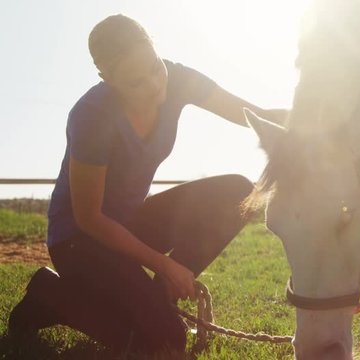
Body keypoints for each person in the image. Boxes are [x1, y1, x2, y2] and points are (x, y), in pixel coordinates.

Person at [6, 14, 286, 356]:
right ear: (107, 79)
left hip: (127, 226)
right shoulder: (92, 116)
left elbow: (251, 113)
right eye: (136, 82)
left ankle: (157, 298)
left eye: (155, 68)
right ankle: (50, 296)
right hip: (79, 241)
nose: (154, 86)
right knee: (164, 343)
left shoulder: (178, 79)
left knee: (237, 191)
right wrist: (164, 264)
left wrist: (315, 118)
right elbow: (89, 218)